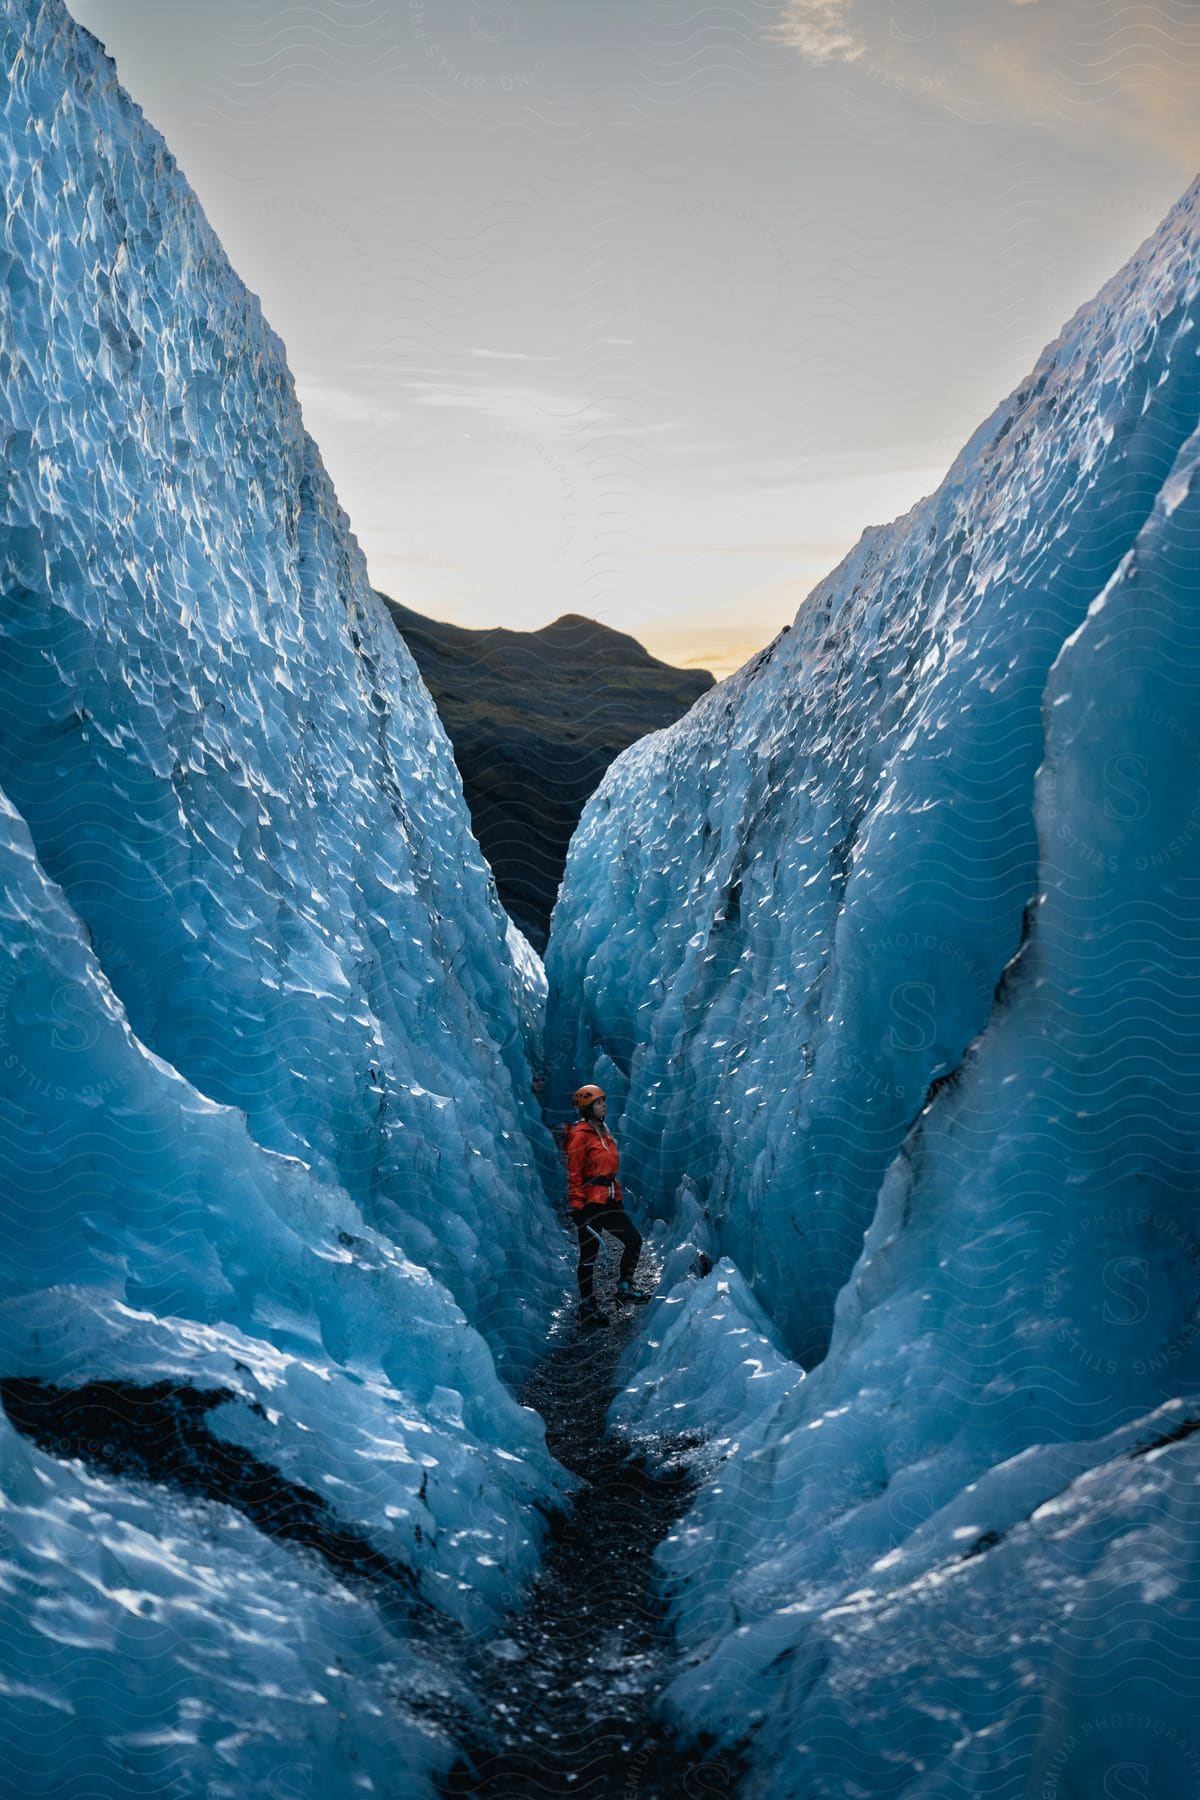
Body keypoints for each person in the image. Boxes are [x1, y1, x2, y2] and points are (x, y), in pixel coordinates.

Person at [565, 1083, 651, 1325]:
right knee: (589, 1255)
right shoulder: (580, 1136)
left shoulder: (603, 1132)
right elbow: (574, 1173)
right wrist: (577, 1207)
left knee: (634, 1240)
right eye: (599, 1102)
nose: (604, 1105)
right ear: (588, 1107)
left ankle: (624, 1287)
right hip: (591, 1204)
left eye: (603, 1101)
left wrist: (618, 1198)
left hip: (610, 1200)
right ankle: (587, 1306)